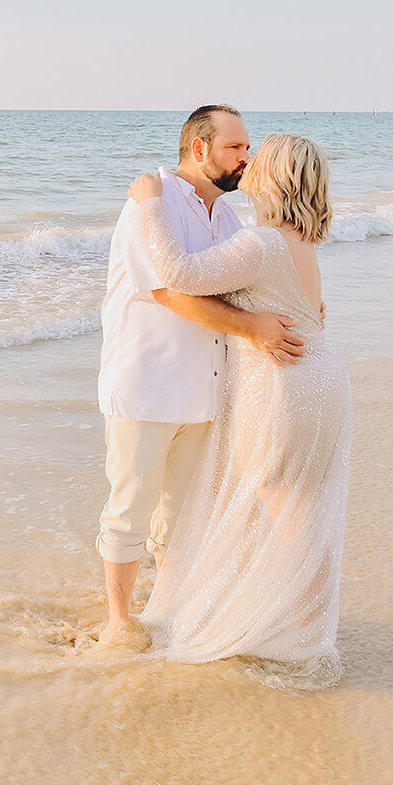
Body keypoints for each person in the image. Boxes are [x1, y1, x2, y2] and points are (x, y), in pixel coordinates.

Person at [125, 134, 353, 689]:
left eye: (260, 156)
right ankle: (279, 625)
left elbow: (178, 274)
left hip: (284, 388)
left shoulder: (260, 243)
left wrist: (149, 203)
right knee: (283, 508)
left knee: (283, 511)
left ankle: (306, 642)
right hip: (320, 380)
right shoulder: (297, 242)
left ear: (276, 176)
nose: (247, 161)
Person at [93, 105, 306, 652]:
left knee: (180, 518)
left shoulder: (228, 218)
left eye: (247, 147)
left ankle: (161, 614)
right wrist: (254, 328)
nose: (247, 159)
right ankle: (119, 620)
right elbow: (174, 293)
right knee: (129, 508)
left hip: (204, 388)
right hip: (148, 382)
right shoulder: (150, 204)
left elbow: (241, 284)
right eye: (236, 148)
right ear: (199, 149)